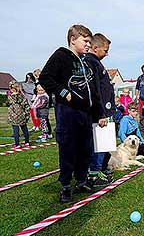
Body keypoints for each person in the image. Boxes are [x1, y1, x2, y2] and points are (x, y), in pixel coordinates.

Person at [39, 24, 106, 203]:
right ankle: (66, 186)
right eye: (85, 41)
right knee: (68, 150)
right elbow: (45, 78)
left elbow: (94, 92)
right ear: (73, 39)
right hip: (68, 114)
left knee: (85, 150)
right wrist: (64, 93)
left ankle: (81, 181)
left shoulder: (87, 63)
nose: (88, 45)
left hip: (85, 115)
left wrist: (99, 113)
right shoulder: (61, 56)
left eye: (90, 42)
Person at [83, 33, 115, 186]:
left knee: (105, 143)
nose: (107, 54)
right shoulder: (91, 63)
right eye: (105, 50)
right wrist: (100, 113)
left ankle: (100, 168)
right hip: (99, 113)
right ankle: (94, 174)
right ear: (95, 48)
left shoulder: (96, 62)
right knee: (99, 143)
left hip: (104, 112)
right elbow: (95, 90)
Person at [7, 81, 30, 149]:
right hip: (22, 115)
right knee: (25, 129)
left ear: (11, 88)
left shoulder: (10, 97)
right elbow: (26, 105)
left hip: (14, 115)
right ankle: (27, 142)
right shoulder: (22, 96)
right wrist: (27, 115)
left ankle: (17, 144)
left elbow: (10, 105)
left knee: (16, 131)